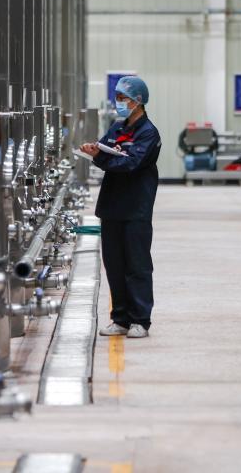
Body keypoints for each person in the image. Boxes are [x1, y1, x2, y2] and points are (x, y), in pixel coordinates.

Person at [79, 75, 161, 339]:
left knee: (137, 265)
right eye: (117, 97)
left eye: (123, 98)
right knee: (114, 265)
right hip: (112, 206)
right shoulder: (116, 128)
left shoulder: (149, 133)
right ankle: (121, 319)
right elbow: (105, 151)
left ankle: (140, 320)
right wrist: (95, 152)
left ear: (138, 100)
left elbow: (131, 164)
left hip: (136, 207)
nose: (119, 102)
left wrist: (101, 159)